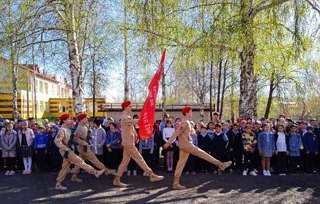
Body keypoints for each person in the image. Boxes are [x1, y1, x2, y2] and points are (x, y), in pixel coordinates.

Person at [163, 106, 231, 190]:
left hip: (184, 145)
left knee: (180, 164)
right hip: (187, 145)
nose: (192, 113)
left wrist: (191, 134)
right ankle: (221, 164)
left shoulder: (185, 122)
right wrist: (168, 142)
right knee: (203, 154)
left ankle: (176, 183)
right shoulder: (185, 122)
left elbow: (183, 134)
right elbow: (177, 132)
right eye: (190, 112)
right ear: (187, 113)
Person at [113, 100, 164, 187]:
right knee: (139, 158)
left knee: (124, 162)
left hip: (128, 142)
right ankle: (151, 175)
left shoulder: (127, 116)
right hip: (128, 143)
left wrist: (135, 136)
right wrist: (145, 118)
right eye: (130, 106)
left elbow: (132, 128)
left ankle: (116, 180)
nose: (131, 108)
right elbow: (135, 122)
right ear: (125, 107)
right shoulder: (125, 117)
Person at [54, 114, 105, 190]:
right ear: (64, 121)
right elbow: (57, 141)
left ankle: (58, 184)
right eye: (68, 119)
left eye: (70, 119)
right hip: (67, 152)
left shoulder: (67, 128)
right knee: (80, 161)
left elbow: (71, 140)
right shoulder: (62, 129)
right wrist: (65, 148)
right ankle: (95, 172)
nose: (70, 120)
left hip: (68, 151)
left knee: (65, 167)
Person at [72, 113, 115, 182]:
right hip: (84, 148)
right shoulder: (80, 127)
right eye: (85, 118)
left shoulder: (83, 126)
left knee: (80, 162)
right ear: (81, 120)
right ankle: (107, 170)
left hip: (83, 147)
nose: (87, 120)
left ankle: (74, 176)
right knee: (95, 160)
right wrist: (85, 143)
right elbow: (75, 139)